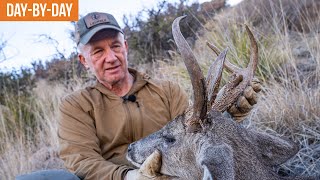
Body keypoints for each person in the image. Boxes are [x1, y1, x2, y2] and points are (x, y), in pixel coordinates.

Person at [58, 12, 261, 180]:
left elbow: (195, 134)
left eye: (115, 46)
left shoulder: (167, 90)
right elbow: (82, 162)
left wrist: (228, 118)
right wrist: (132, 177)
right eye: (98, 51)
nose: (111, 58)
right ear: (83, 60)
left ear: (126, 47)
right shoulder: (76, 106)